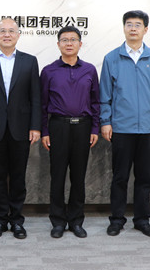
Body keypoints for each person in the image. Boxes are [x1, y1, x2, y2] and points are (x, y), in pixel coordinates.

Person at [99, 10, 150, 237]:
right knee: (119, 177)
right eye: (128, 24)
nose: (132, 28)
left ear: (145, 29)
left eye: (137, 25)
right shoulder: (112, 58)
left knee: (145, 178)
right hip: (121, 128)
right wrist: (105, 121)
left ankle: (142, 219)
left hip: (148, 128)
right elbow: (105, 95)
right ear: (123, 28)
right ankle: (117, 219)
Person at [0, 17, 41, 240]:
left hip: (21, 128)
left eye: (11, 31)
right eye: (2, 31)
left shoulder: (29, 61)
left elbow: (35, 97)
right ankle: (0, 220)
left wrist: (35, 126)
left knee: (18, 178)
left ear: (18, 35)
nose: (7, 34)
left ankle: (17, 221)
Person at [40, 25, 99, 239]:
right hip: (58, 127)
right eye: (64, 40)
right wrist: (44, 131)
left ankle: (76, 221)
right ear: (58, 44)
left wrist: (95, 128)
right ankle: (57, 221)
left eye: (73, 39)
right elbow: (42, 105)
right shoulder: (49, 71)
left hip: (83, 127)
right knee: (57, 176)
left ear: (80, 44)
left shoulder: (89, 70)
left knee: (78, 176)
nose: (69, 43)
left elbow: (96, 101)